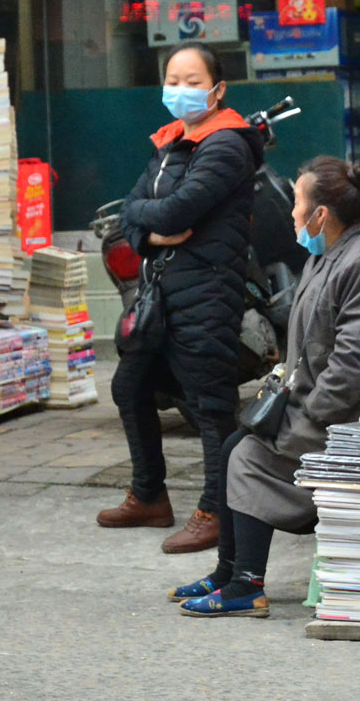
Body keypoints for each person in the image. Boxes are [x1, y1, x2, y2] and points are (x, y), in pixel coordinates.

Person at [170, 156, 360, 616]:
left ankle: (247, 585)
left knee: (248, 458)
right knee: (233, 446)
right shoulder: (330, 255)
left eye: (298, 204)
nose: (292, 214)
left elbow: (352, 366)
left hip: (352, 422)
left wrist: (302, 419)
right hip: (321, 409)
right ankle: (227, 571)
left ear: (321, 214)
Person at [96, 43, 262, 555]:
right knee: (130, 387)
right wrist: (150, 234)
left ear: (218, 89)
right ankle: (149, 496)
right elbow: (133, 214)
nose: (181, 89)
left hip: (208, 289)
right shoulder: (170, 142)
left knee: (210, 405)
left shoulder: (227, 143)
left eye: (193, 80)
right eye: (173, 78)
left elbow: (174, 211)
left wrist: (153, 220)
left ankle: (217, 511)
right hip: (160, 290)